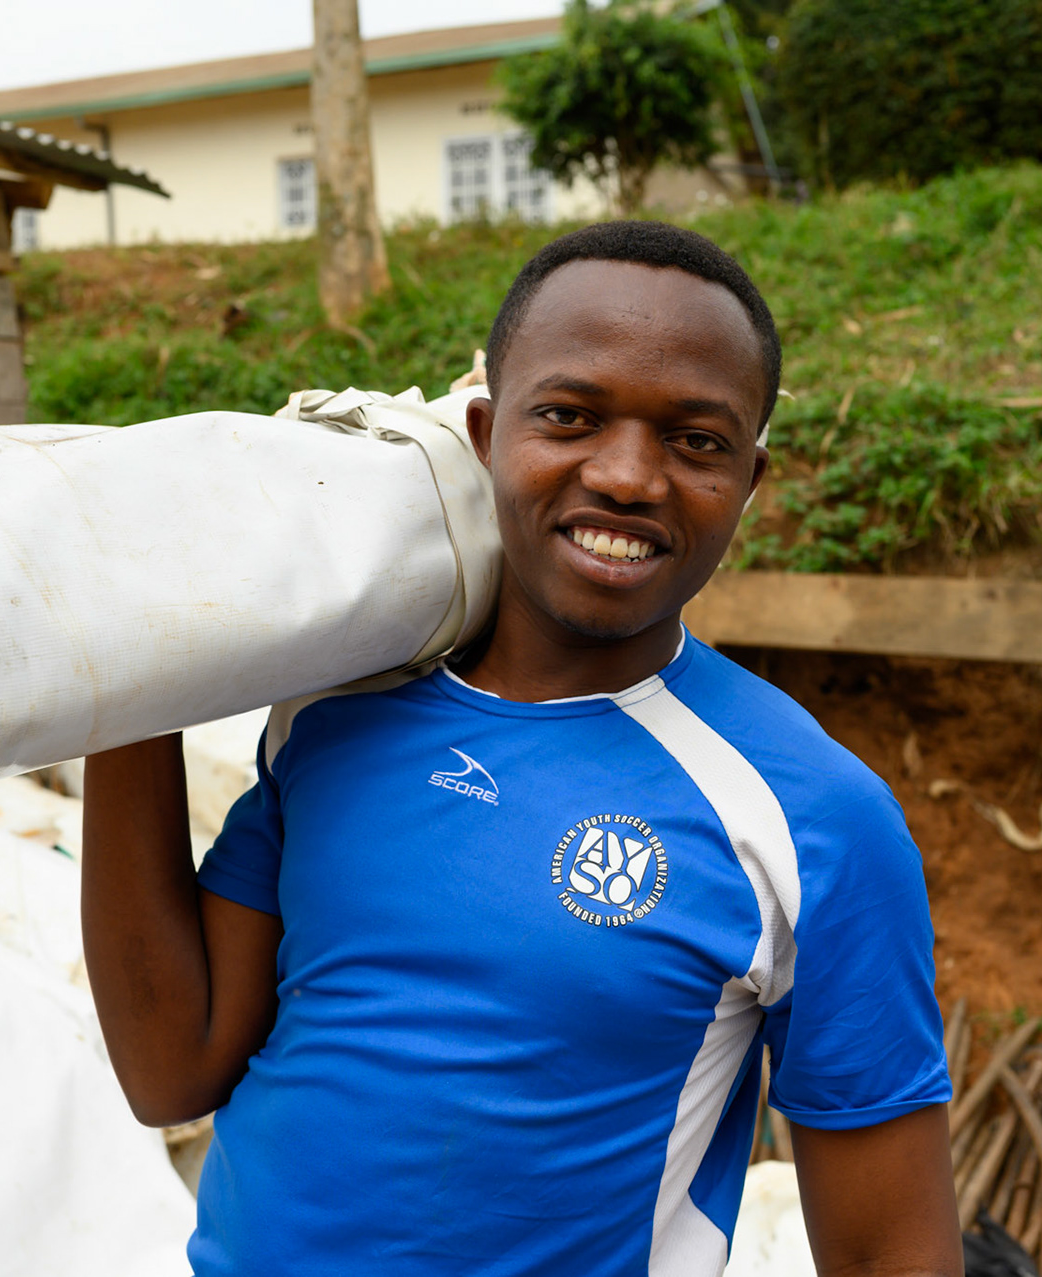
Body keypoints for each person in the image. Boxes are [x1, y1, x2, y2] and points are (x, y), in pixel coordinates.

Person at [81, 221, 961, 1276]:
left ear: (750, 478)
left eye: (696, 440)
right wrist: (126, 671)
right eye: (569, 416)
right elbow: (171, 1068)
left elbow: (892, 1253)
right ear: (488, 431)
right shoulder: (335, 712)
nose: (628, 476)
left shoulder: (810, 818)